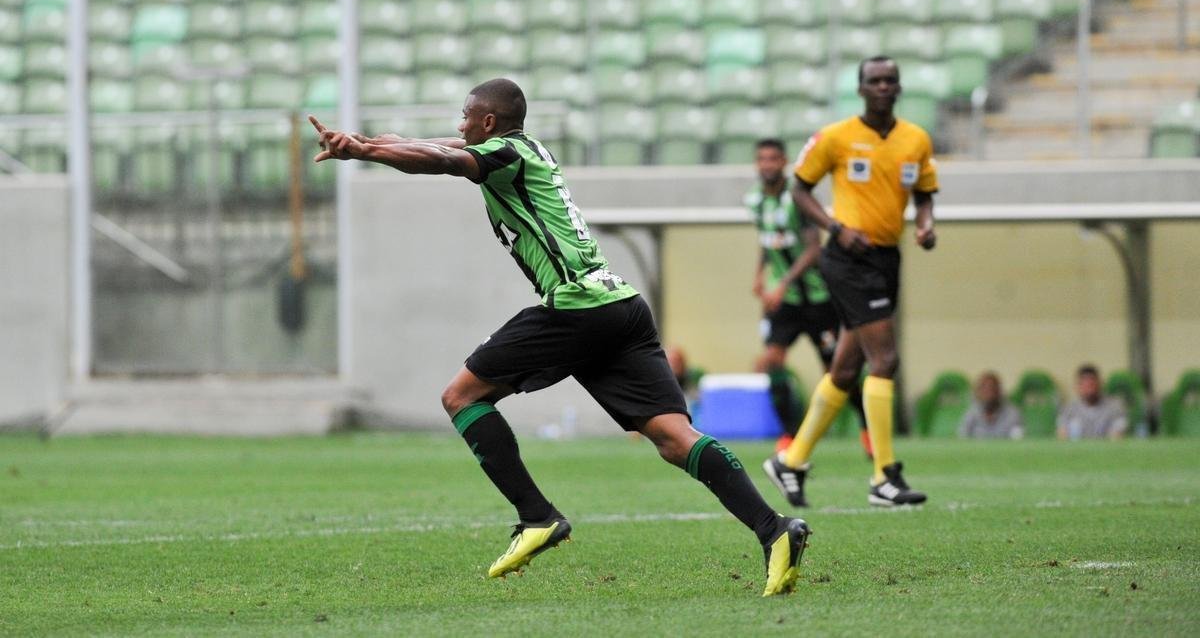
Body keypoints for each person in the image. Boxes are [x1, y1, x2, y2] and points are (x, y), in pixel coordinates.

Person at [308, 78, 810, 596]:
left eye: (465, 116)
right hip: (621, 305)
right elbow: (435, 146)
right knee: (671, 437)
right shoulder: (523, 146)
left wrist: (368, 151)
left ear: (487, 122)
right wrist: (364, 143)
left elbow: (442, 160)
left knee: (461, 396)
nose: (459, 125)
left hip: (576, 306)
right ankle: (775, 530)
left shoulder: (500, 153)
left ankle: (536, 517)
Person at [762, 56, 939, 508]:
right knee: (885, 359)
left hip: (886, 258)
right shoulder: (836, 137)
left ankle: (791, 460)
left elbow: (923, 193)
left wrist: (924, 223)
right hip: (846, 259)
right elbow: (800, 190)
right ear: (860, 89)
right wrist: (836, 228)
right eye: (873, 80)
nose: (882, 86)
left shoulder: (915, 139)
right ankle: (885, 476)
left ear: (899, 88)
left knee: (844, 369)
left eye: (889, 80)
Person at [745, 138, 869, 454]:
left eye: (773, 159)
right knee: (772, 361)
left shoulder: (796, 199)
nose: (767, 165)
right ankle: (789, 434)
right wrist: (760, 275)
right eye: (762, 159)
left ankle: (867, 428)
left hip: (816, 300)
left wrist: (783, 282)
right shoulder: (755, 200)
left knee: (838, 371)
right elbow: (767, 241)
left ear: (784, 162)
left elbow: (814, 248)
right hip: (784, 304)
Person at [1057, 364, 1128, 440]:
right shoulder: (1069, 409)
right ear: (1077, 386)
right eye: (1084, 384)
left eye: (1091, 384)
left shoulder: (1115, 407)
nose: (1089, 389)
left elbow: (1118, 434)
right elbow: (1062, 434)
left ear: (1100, 384)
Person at [958, 371, 1024, 439]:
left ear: (999, 391)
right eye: (984, 389)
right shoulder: (973, 412)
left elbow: (1018, 438)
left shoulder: (1012, 413)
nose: (988, 394)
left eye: (991, 389)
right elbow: (962, 435)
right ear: (978, 392)